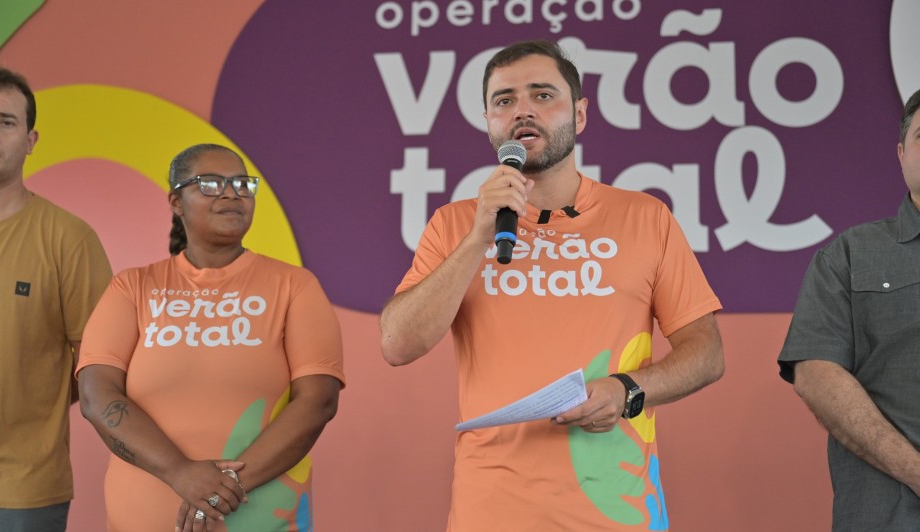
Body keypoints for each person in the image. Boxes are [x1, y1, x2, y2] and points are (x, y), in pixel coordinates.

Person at [379, 40, 724, 530]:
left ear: (579, 115)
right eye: (504, 100)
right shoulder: (454, 225)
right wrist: (478, 238)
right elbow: (397, 343)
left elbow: (706, 354)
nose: (523, 110)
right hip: (491, 514)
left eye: (543, 95)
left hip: (617, 512)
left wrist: (627, 390)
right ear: (488, 122)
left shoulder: (646, 217)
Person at [76, 143, 345, 532]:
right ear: (176, 202)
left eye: (241, 184)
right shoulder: (132, 288)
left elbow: (318, 401)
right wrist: (179, 472)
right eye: (211, 183)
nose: (232, 193)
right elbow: (96, 395)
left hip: (264, 521)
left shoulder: (294, 286)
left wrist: (222, 489)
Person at [0, 65, 112, 531]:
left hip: (21, 493)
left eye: (5, 122)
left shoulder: (68, 239)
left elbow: (99, 364)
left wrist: (35, 394)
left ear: (30, 140)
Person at [778, 87, 920, 531]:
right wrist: (916, 471)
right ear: (901, 154)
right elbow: (816, 375)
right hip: (888, 513)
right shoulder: (851, 254)